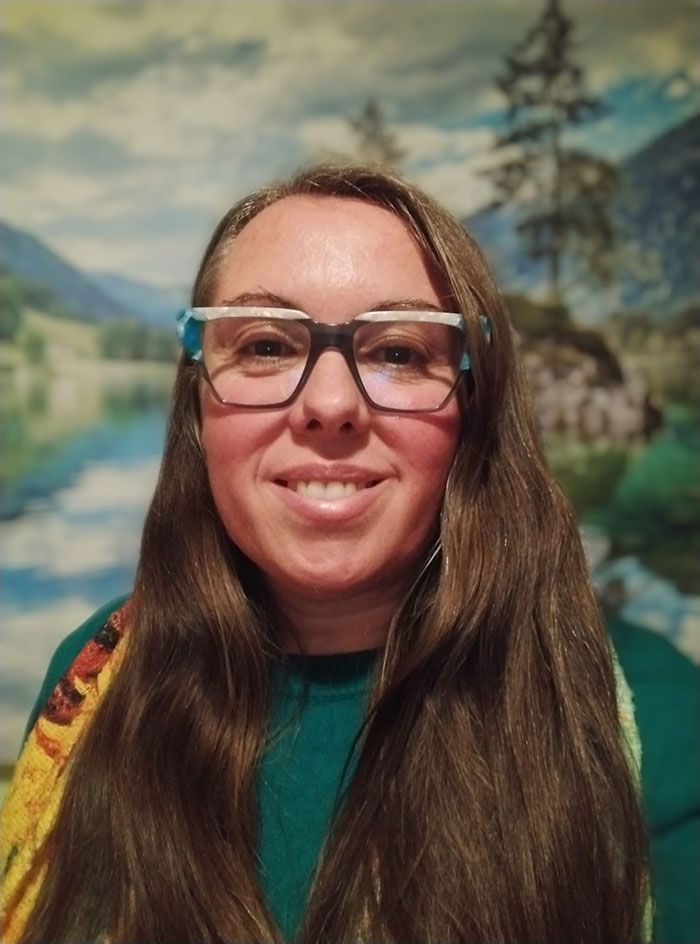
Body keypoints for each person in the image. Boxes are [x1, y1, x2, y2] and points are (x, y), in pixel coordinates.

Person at [1, 163, 649, 943]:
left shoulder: (656, 726)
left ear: (476, 407)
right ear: (197, 406)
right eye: (267, 344)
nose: (331, 404)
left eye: (399, 353)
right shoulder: (93, 680)